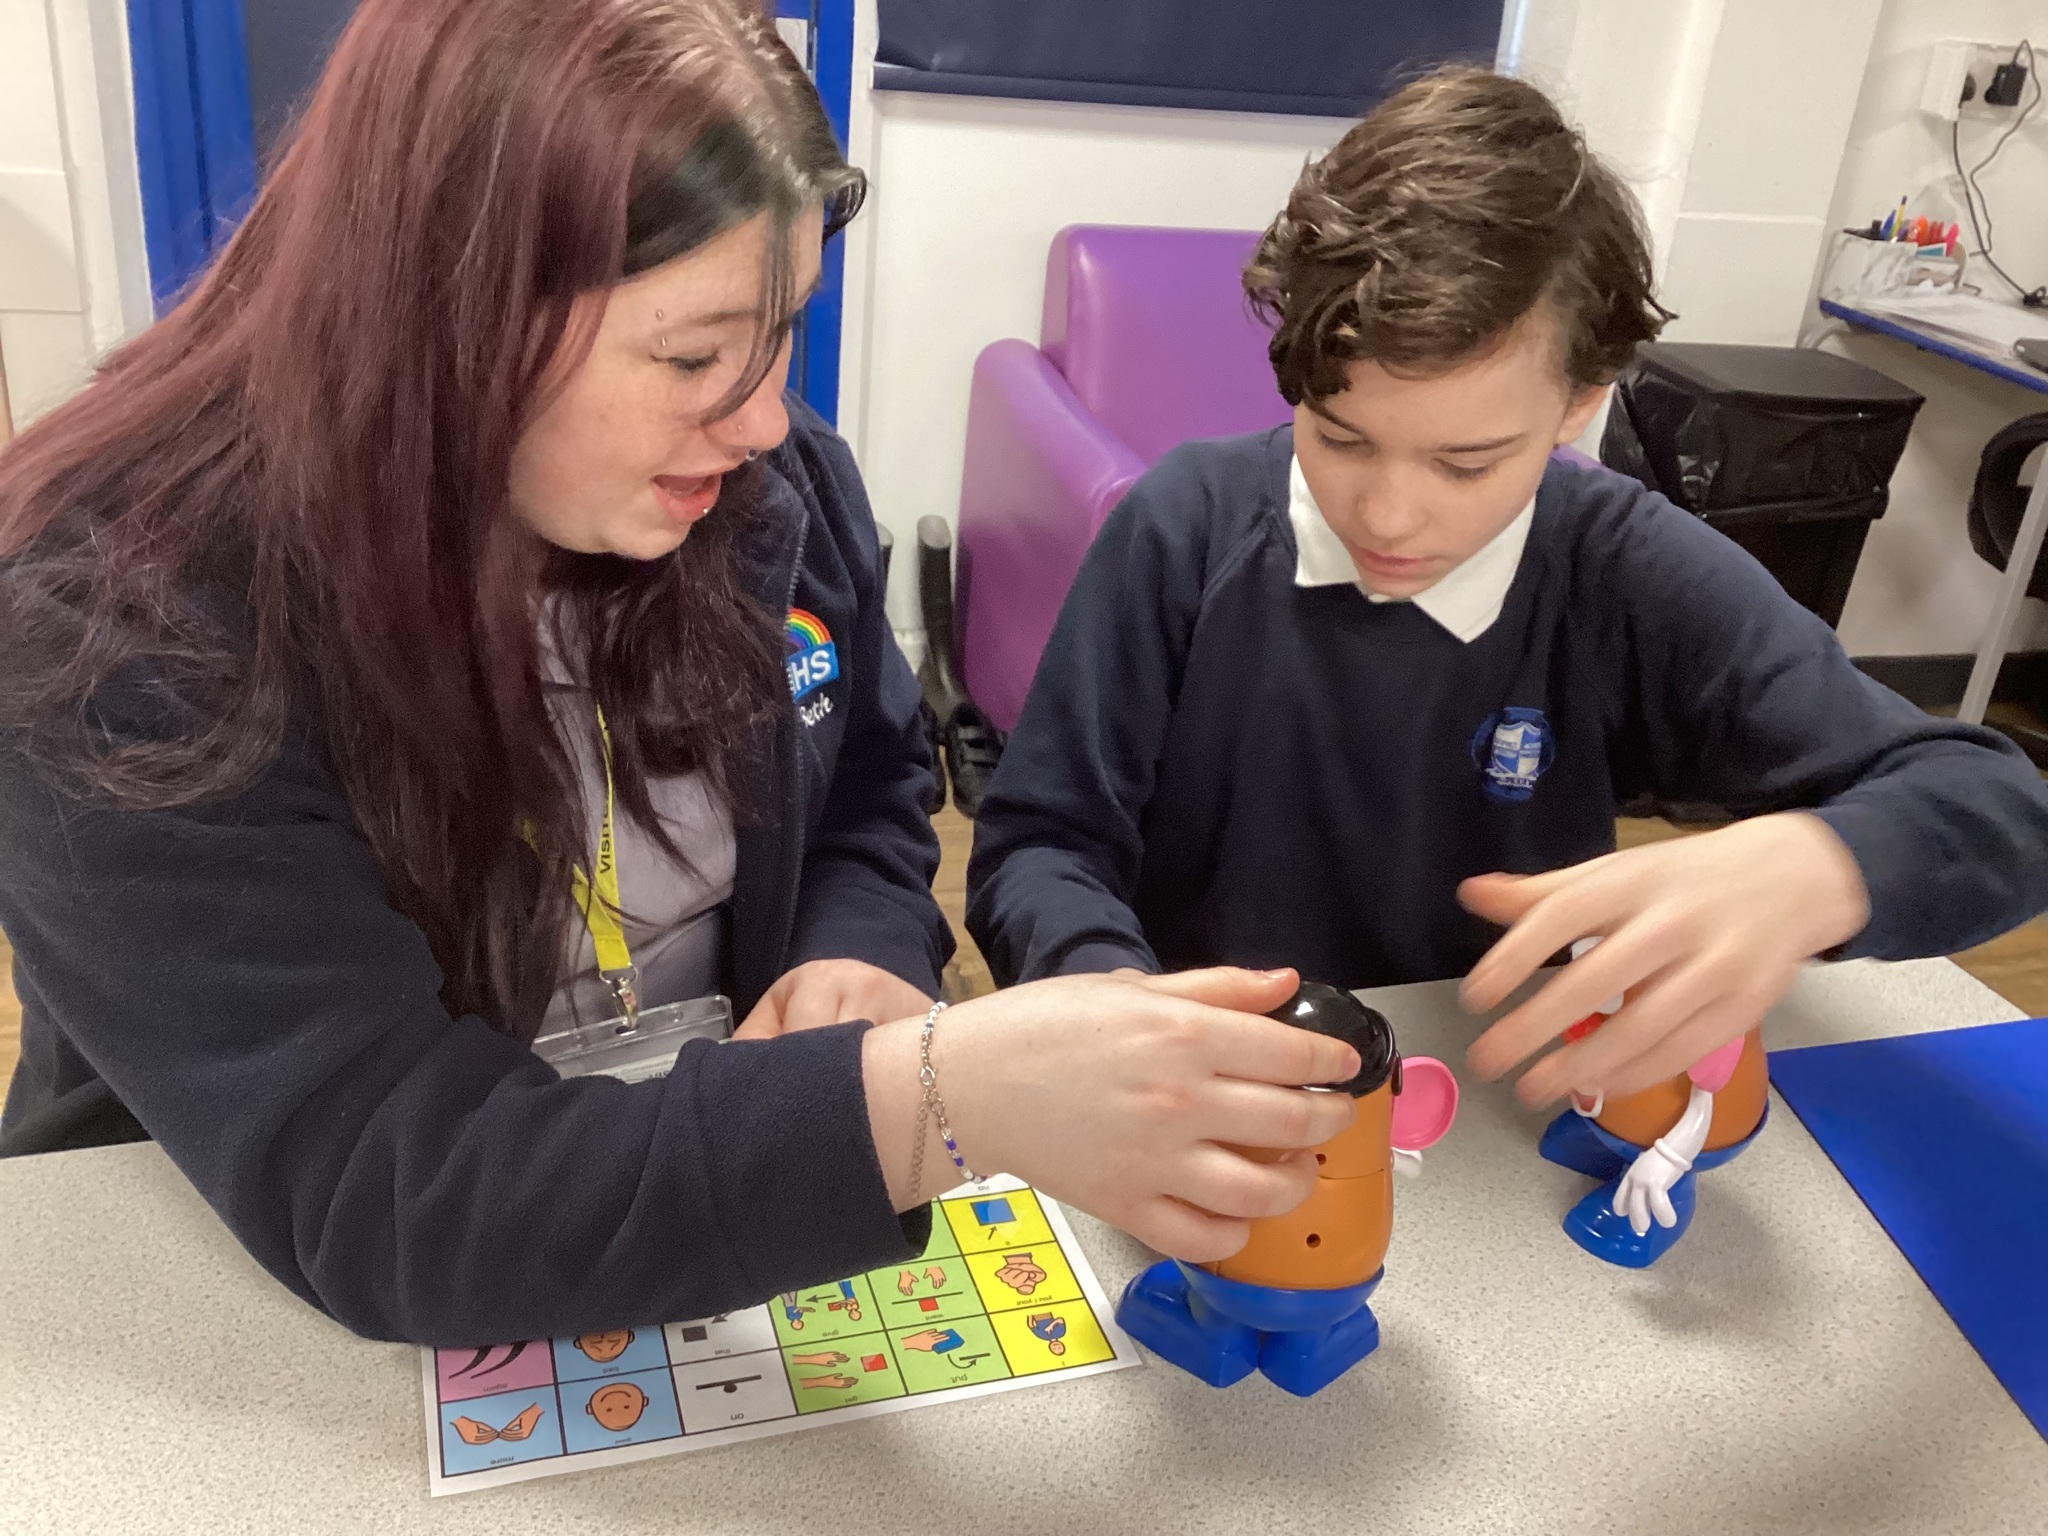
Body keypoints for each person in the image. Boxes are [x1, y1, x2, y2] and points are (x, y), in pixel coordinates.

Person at [0, 0, 1360, 1346]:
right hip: (242, 1317)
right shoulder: (110, 623)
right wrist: (938, 1101)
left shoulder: (767, 489)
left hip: (688, 1213)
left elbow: (871, 792)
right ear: (447, 310)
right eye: (694, 354)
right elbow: (388, 1187)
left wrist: (858, 953)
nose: (763, 418)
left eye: (780, 330)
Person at [967, 66, 2048, 1130]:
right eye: (1341, 438)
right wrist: (1109, 1003)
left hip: (1500, 1104)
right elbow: (1041, 844)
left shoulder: (1620, 568)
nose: (1389, 516)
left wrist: (1825, 864)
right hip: (1199, 1090)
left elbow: (1996, 805)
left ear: (1579, 404)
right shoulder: (1183, 526)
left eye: (1466, 463)